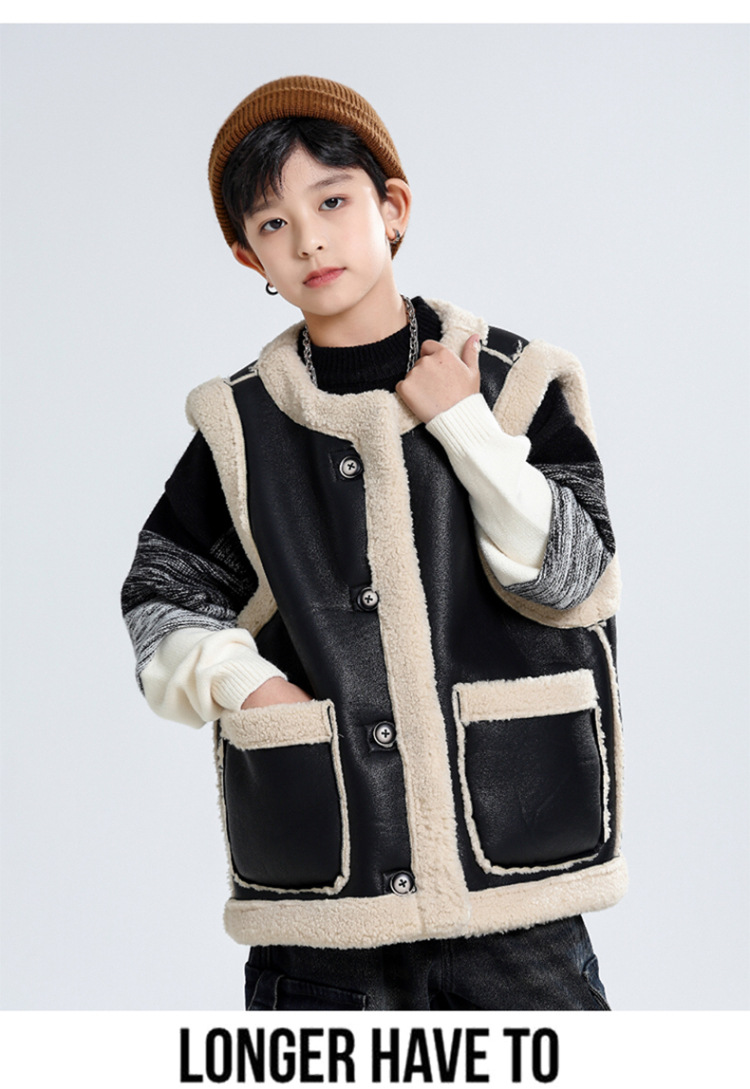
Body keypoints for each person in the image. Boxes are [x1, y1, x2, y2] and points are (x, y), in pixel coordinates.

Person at [121, 75, 626, 1011]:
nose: (309, 239)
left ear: (392, 207)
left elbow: (576, 577)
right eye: (273, 223)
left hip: (517, 896)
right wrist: (255, 689)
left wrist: (465, 425)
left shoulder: (515, 382)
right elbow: (160, 597)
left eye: (332, 202)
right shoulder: (242, 428)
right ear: (247, 255)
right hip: (327, 919)